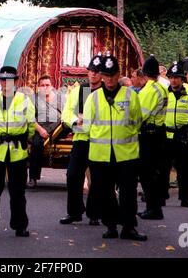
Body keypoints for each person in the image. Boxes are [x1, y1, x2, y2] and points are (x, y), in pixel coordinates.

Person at [83, 54, 147, 241]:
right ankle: (110, 226)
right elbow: (87, 126)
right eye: (106, 75)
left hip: (126, 154)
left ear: (119, 74)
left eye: (113, 75)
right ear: (102, 76)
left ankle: (129, 227)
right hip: (100, 155)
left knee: (128, 192)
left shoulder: (130, 96)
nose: (110, 79)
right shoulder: (93, 98)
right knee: (105, 192)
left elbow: (137, 121)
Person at [0, 66, 35, 237]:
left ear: (16, 81)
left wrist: (23, 140)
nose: (5, 83)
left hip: (17, 151)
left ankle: (20, 226)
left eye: (9, 80)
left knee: (18, 191)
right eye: (3, 80)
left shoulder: (24, 100)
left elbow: (31, 125)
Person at [59, 53, 103, 226]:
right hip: (81, 139)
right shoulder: (80, 90)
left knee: (97, 178)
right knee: (72, 176)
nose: (93, 74)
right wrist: (74, 120)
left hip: (99, 141)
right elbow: (67, 112)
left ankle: (94, 213)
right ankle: (75, 212)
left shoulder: (104, 92)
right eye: (91, 71)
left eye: (97, 72)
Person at [137, 55, 168, 220]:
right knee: (155, 173)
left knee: (146, 173)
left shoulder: (149, 90)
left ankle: (153, 209)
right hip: (159, 133)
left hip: (148, 135)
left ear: (145, 72)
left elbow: (139, 115)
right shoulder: (162, 87)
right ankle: (154, 207)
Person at [163, 62, 188, 208]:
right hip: (166, 136)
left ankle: (185, 198)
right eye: (171, 77)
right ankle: (161, 196)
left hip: (183, 137)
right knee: (163, 169)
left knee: (185, 170)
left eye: (177, 77)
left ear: (182, 79)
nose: (173, 80)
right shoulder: (164, 94)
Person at [28, 75, 64, 188]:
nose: (45, 87)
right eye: (42, 85)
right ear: (39, 87)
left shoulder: (60, 98)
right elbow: (30, 118)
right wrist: (40, 130)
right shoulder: (33, 99)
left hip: (59, 127)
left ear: (52, 86)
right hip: (41, 128)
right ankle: (33, 178)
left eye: (47, 85)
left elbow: (67, 113)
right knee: (36, 144)